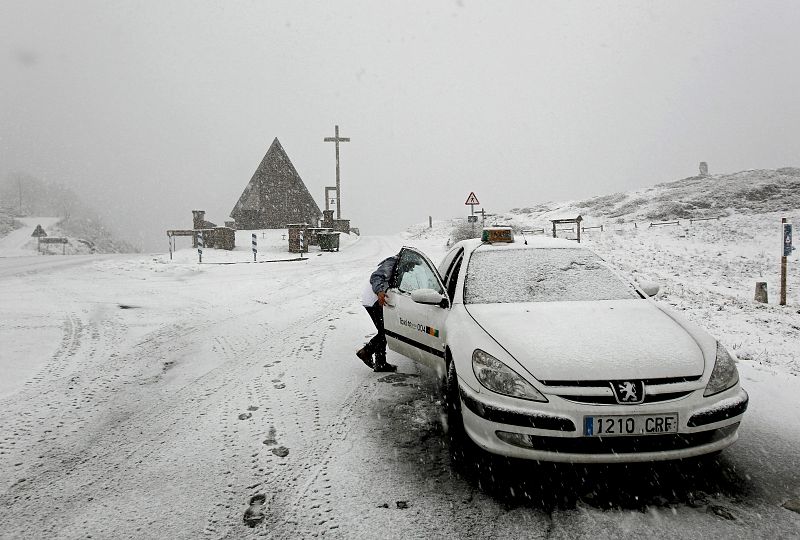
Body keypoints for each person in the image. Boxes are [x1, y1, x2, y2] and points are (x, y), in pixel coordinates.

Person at [356, 253, 401, 372]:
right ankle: (366, 352)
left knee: (383, 331)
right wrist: (379, 292)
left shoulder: (399, 264)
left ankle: (380, 363)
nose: (411, 269)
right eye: (411, 266)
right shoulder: (393, 262)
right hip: (374, 300)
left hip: (376, 300)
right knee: (385, 331)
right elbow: (376, 277)